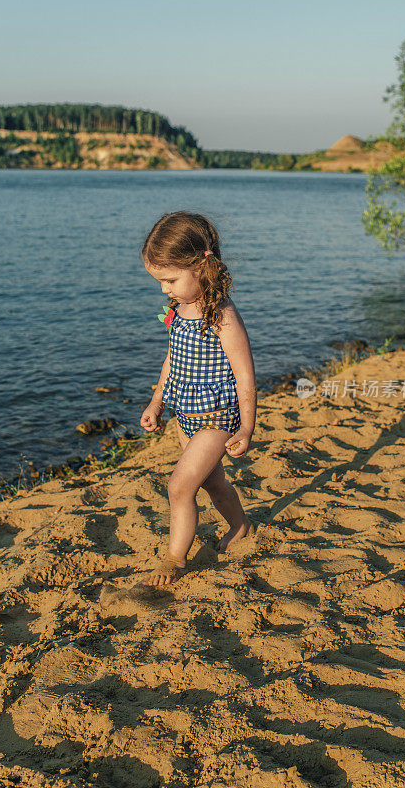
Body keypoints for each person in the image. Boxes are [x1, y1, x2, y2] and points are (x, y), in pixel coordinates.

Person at [139, 211, 257, 588]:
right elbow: (172, 359)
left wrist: (248, 424)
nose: (164, 290)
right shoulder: (177, 310)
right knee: (213, 482)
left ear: (199, 266)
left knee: (180, 486)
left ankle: (175, 558)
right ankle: (240, 525)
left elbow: (244, 374)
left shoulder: (221, 314)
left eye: (170, 280)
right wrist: (157, 402)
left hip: (219, 417)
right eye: (160, 281)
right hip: (184, 415)